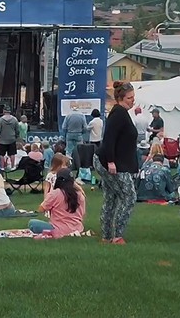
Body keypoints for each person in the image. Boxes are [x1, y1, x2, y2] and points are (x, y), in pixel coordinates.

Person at [95, 81, 139, 244]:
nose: (132, 100)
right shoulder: (119, 114)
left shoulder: (120, 113)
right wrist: (112, 162)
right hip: (112, 163)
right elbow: (109, 139)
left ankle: (107, 236)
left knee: (111, 198)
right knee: (129, 196)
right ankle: (117, 235)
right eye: (129, 98)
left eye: (133, 97)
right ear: (120, 98)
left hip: (109, 161)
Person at [29, 168, 88, 237]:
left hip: (58, 229)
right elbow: (82, 214)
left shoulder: (55, 193)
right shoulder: (80, 195)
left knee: (32, 223)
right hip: (77, 228)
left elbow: (41, 209)